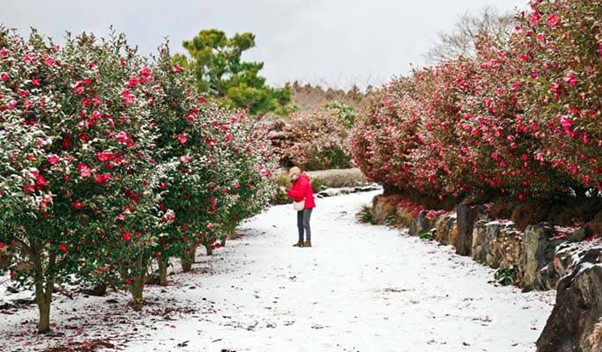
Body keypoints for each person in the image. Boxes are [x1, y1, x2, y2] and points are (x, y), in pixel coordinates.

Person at [286, 167, 316, 248]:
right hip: (301, 203)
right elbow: (294, 192)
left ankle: (308, 241)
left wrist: (288, 191)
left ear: (296, 174)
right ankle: (301, 240)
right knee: (299, 224)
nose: (291, 177)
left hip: (307, 204)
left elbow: (300, 193)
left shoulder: (303, 181)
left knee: (305, 223)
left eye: (291, 175)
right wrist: (287, 192)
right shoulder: (296, 182)